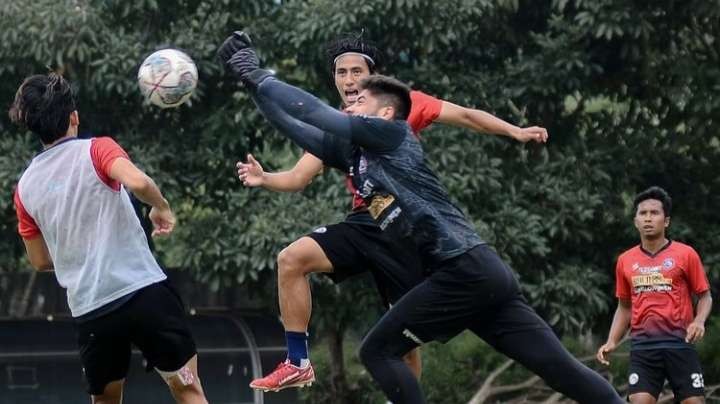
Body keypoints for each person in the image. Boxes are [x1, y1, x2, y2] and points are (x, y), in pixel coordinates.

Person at [218, 31, 624, 404]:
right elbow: (298, 125)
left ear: (388, 111)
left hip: (462, 270)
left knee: (377, 351)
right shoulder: (353, 151)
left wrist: (260, 74)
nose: (352, 96)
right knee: (560, 370)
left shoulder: (390, 134)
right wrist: (250, 83)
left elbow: (319, 114)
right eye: (346, 86)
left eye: (362, 96)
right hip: (481, 275)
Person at [10, 73, 208, 404]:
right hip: (146, 296)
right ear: (74, 117)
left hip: (94, 314)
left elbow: (40, 260)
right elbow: (140, 184)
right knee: (188, 387)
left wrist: (77, 248)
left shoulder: (25, 188)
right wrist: (161, 207)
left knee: (105, 401)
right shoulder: (97, 149)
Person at [597, 186, 712, 404]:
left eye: (654, 213)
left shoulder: (686, 254)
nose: (648, 218)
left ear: (666, 221)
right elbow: (624, 307)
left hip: (680, 345)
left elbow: (705, 297)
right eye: (643, 213)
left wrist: (699, 321)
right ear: (635, 221)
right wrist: (612, 341)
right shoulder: (625, 260)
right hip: (643, 349)